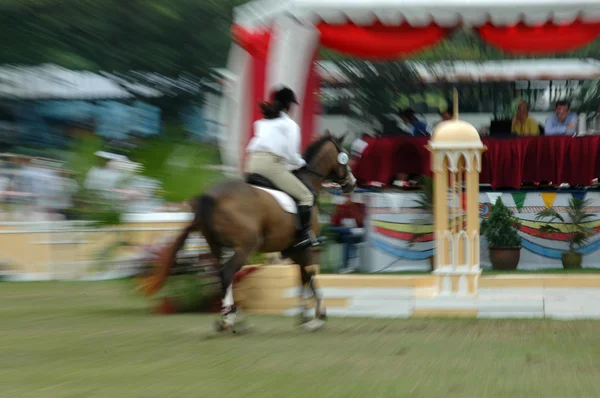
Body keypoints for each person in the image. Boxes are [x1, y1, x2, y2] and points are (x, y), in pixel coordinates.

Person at [246, 86, 319, 248]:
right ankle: (304, 236)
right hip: (270, 165)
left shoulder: (263, 122)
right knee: (306, 196)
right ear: (289, 105)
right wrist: (302, 163)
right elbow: (292, 155)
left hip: (251, 164)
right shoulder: (290, 125)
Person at [330, 193, 366, 272]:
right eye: (345, 196)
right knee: (347, 235)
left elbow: (361, 222)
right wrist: (340, 224)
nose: (347, 198)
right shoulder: (340, 207)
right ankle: (348, 265)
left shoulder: (358, 206)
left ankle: (346, 265)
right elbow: (333, 223)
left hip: (358, 234)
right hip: (342, 233)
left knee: (348, 237)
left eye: (349, 196)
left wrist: (352, 206)